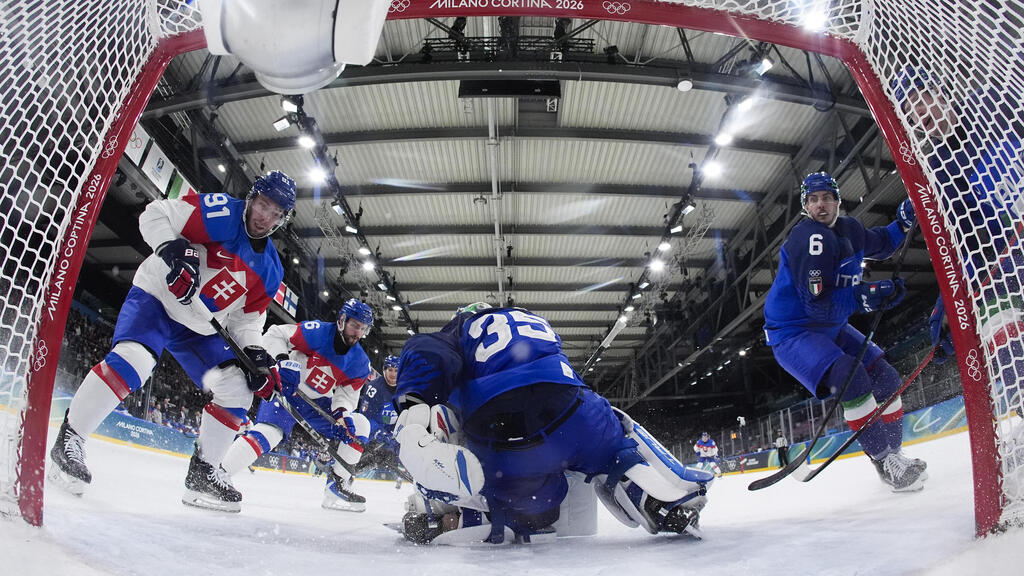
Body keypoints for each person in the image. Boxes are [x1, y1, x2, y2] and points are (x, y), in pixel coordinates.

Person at [49, 171, 296, 512]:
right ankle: (70, 438)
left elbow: (247, 320)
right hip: (158, 299)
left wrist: (255, 352)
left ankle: (202, 475)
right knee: (135, 360)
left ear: (282, 219)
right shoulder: (221, 212)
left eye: (275, 212)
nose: (264, 217)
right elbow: (154, 214)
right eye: (263, 205)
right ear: (252, 198)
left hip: (199, 327)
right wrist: (174, 250)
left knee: (238, 388)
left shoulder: (270, 269)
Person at [392, 302, 713, 544]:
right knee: (613, 439)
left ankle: (470, 513)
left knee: (533, 505)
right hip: (572, 412)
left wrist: (414, 406)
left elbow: (425, 351)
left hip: (501, 436)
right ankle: (652, 493)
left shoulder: (461, 329)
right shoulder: (531, 321)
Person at [894, 66, 1024, 496]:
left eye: (922, 100)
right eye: (910, 112)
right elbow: (960, 245)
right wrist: (951, 299)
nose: (919, 115)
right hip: (991, 277)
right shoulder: (933, 171)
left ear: (941, 92)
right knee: (1009, 350)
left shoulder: (992, 113)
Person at [762, 171, 927, 492]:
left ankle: (894, 457)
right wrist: (864, 296)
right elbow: (816, 304)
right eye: (813, 199)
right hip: (794, 332)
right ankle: (883, 459)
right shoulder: (807, 239)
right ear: (805, 207)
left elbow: (881, 244)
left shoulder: (849, 228)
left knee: (887, 378)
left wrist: (904, 222)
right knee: (851, 375)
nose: (820, 205)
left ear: (837, 200)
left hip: (831, 325)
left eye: (826, 197)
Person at [220, 299, 375, 512]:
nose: (358, 332)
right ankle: (220, 474)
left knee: (359, 425)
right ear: (341, 320)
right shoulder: (319, 332)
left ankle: (336, 486)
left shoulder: (360, 362)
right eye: (354, 325)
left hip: (316, 403)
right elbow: (276, 334)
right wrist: (283, 362)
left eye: (363, 328)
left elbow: (347, 395)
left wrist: (342, 414)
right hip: (287, 390)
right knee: (270, 432)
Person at [353, 354, 408, 483]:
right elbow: (365, 419)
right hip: (373, 431)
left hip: (392, 432)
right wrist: (379, 432)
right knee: (357, 452)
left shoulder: (404, 388)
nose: (393, 374)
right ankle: (349, 471)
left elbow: (403, 414)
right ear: (384, 370)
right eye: (390, 369)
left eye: (396, 370)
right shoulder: (375, 387)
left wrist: (395, 432)